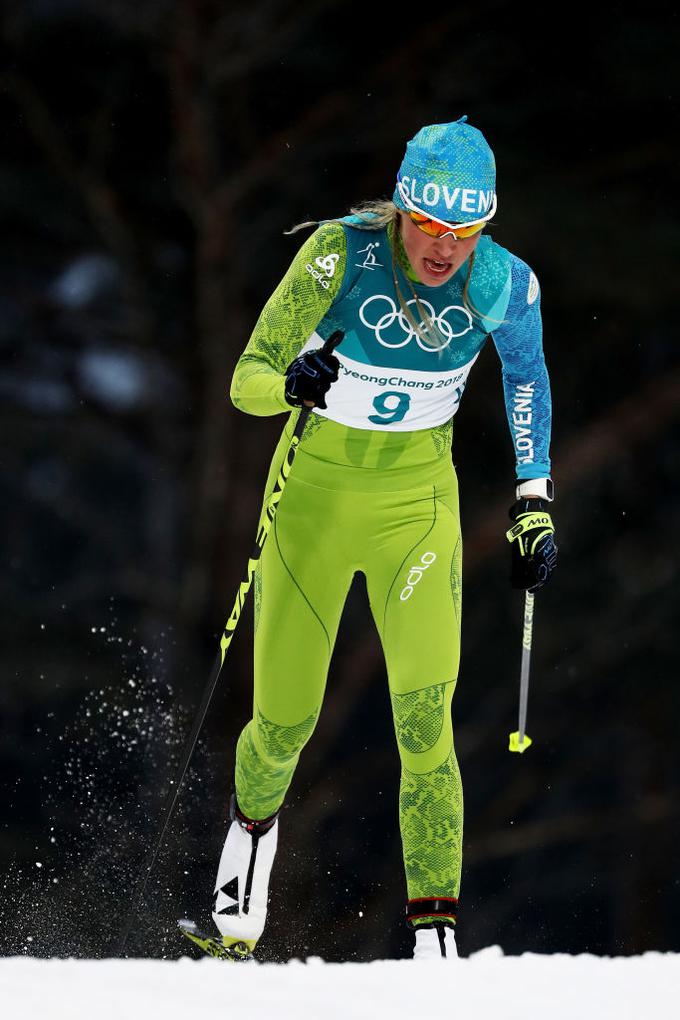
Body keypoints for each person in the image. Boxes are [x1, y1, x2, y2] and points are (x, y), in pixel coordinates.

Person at [211, 116, 557, 962]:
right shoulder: (339, 255)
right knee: (282, 725)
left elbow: (527, 379)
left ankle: (434, 945)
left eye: (465, 232)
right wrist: (292, 383)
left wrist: (534, 498)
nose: (445, 251)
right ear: (403, 210)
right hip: (315, 505)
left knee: (424, 721)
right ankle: (250, 839)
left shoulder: (504, 284)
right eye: (431, 229)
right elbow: (245, 381)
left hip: (417, 510)